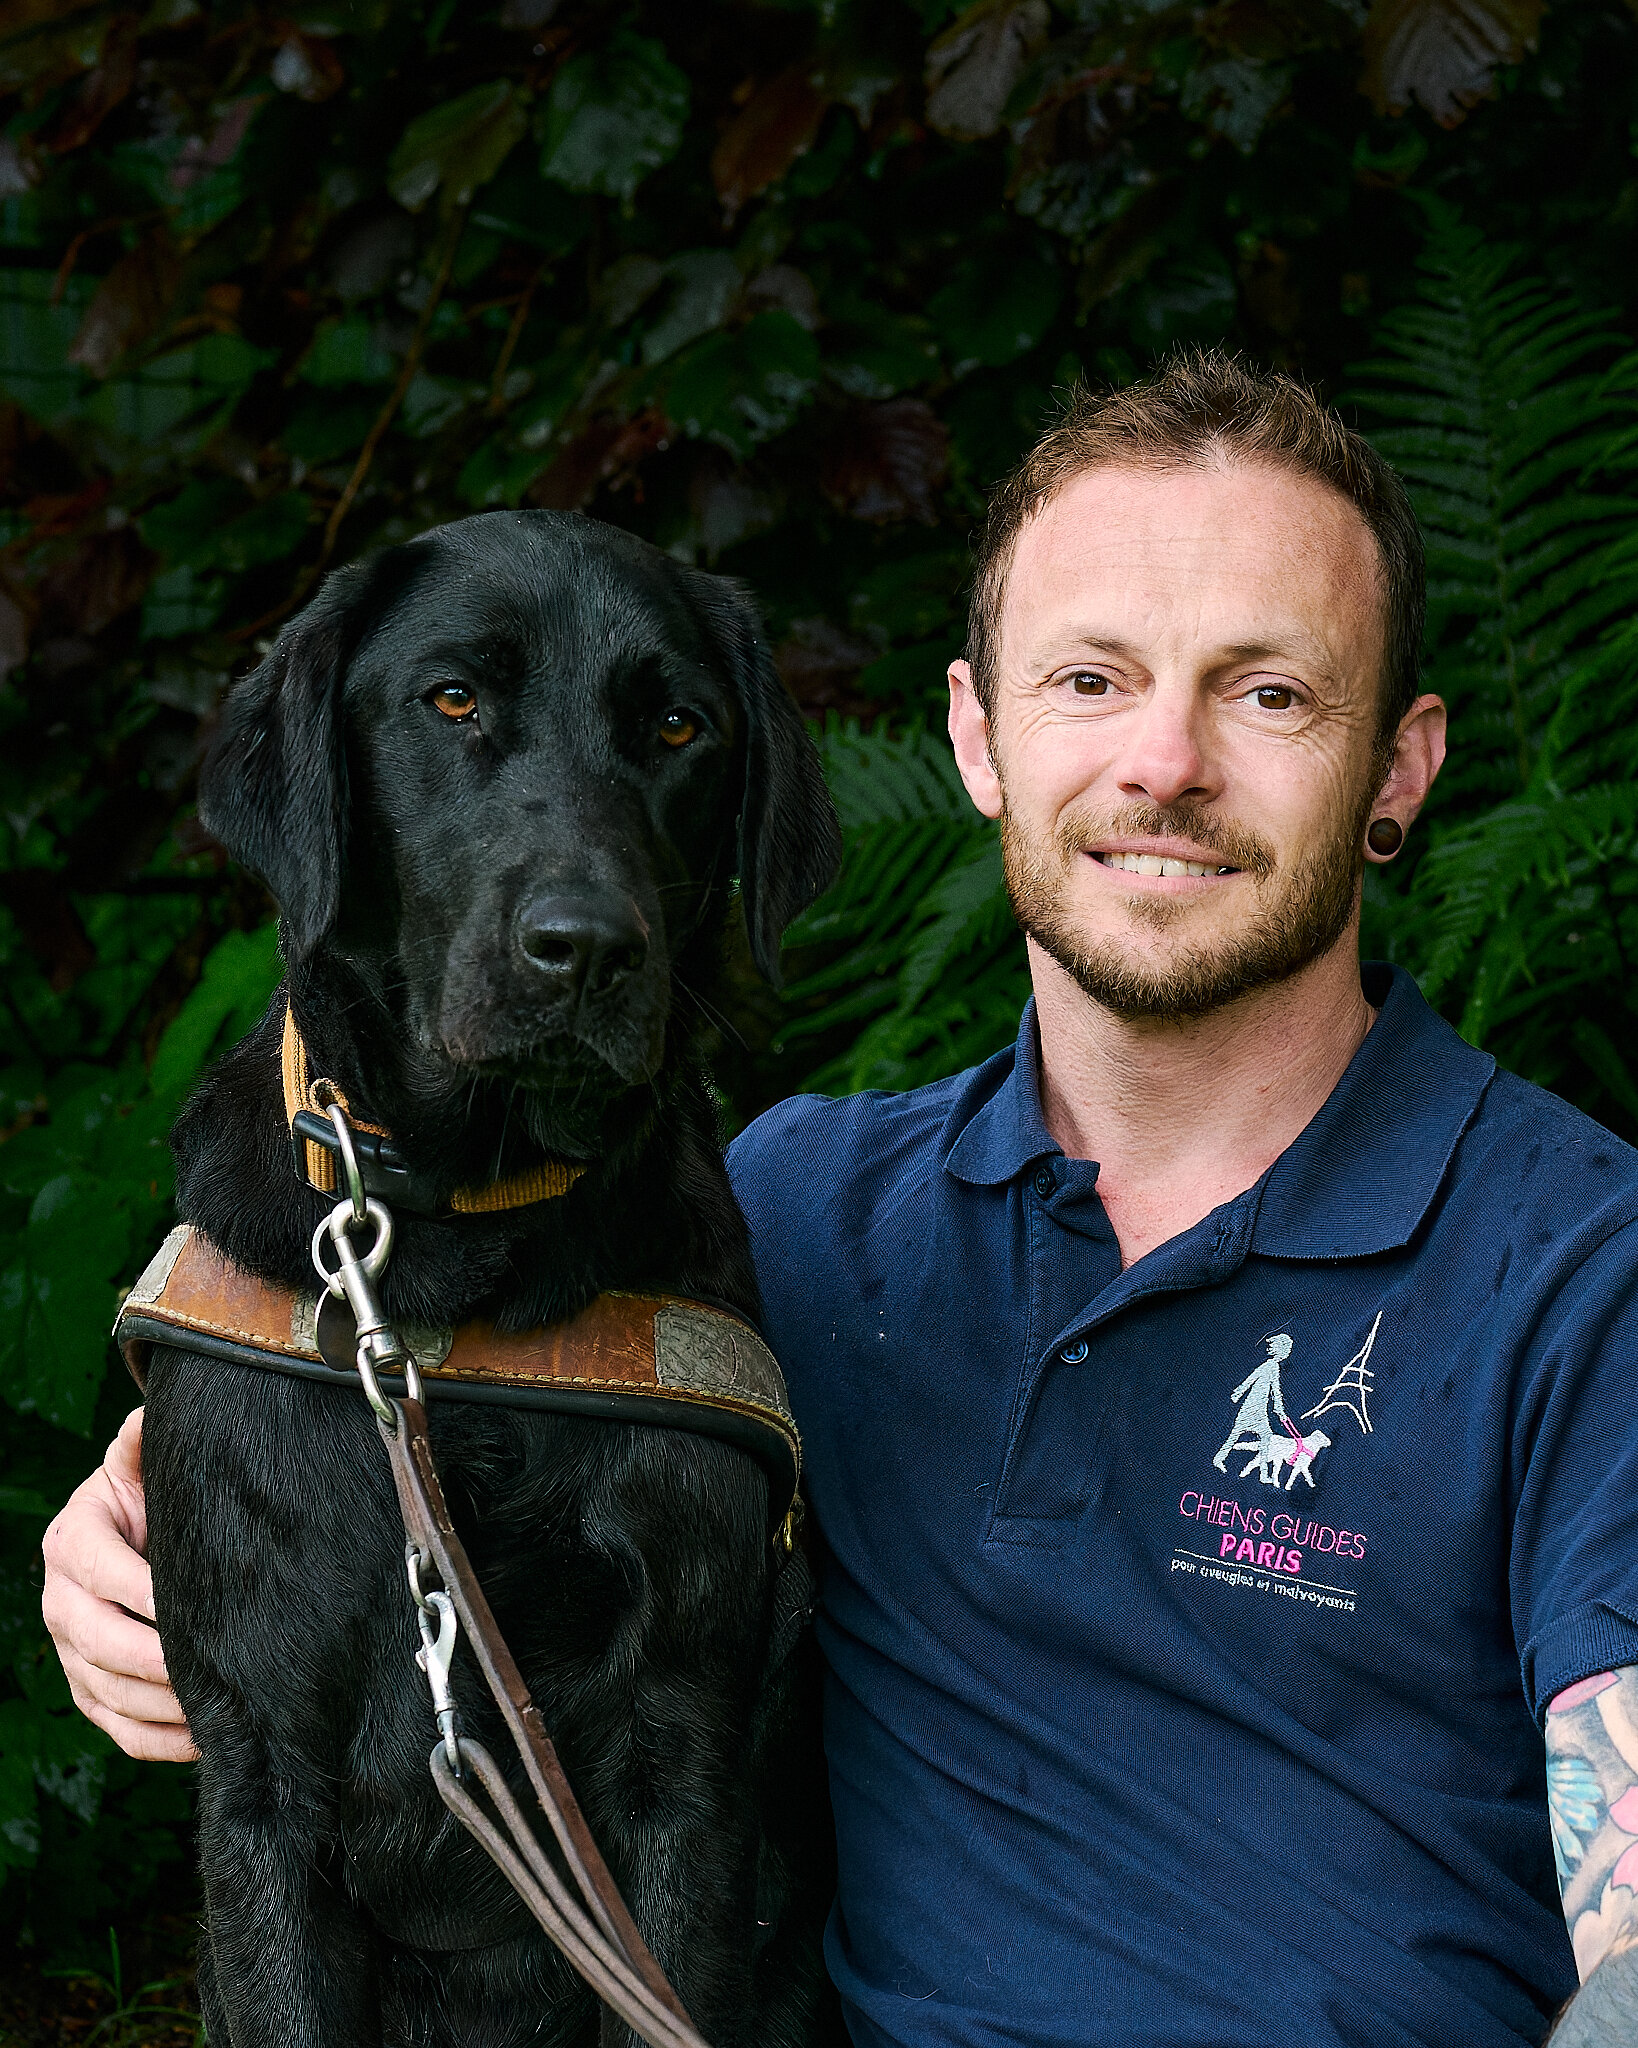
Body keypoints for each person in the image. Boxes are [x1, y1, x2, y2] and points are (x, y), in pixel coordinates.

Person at [42, 354, 1638, 2048]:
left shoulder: (1573, 1265)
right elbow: (370, 1407)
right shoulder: (783, 1223)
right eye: (1091, 678)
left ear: (1398, 768)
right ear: (977, 738)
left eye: (1266, 695)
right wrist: (126, 1543)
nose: (1162, 760)